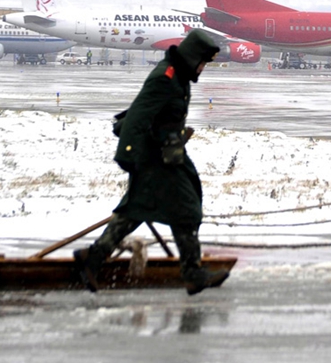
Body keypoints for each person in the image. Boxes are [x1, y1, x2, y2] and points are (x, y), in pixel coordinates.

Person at [73, 29, 228, 295]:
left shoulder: (178, 76)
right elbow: (138, 116)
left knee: (137, 209)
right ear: (191, 58)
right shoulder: (165, 78)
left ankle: (94, 257)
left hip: (166, 155)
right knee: (187, 211)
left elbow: (163, 117)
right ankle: (192, 273)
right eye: (202, 62)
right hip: (155, 159)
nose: (203, 68)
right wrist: (128, 154)